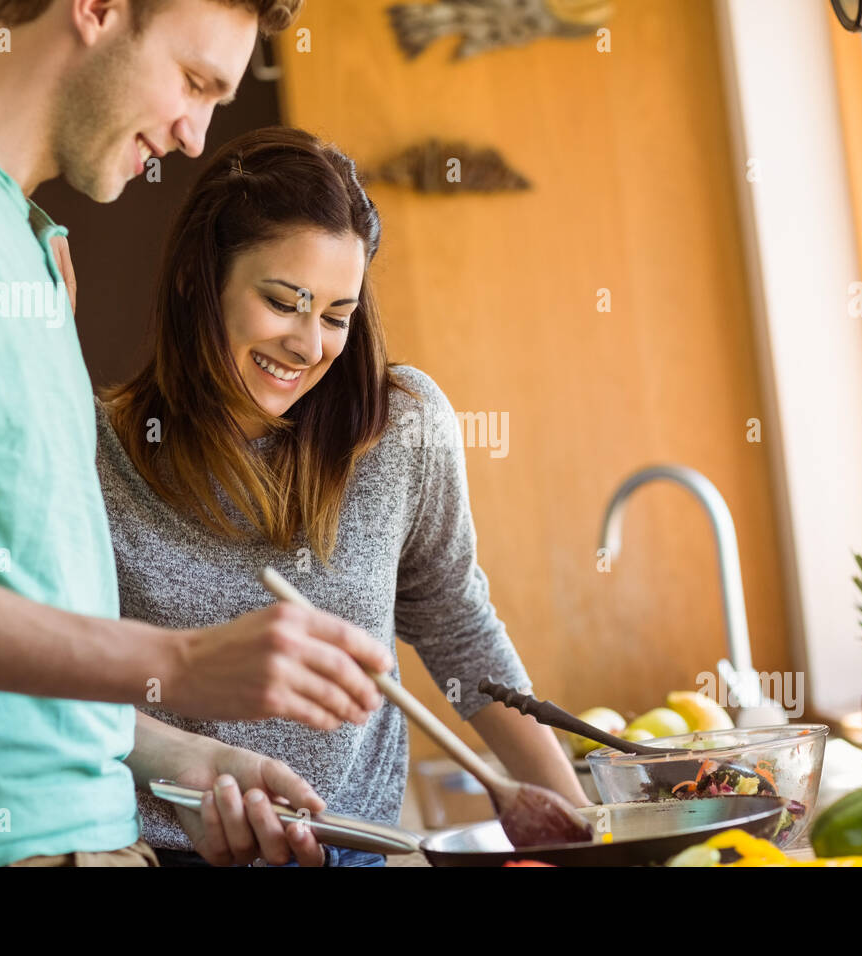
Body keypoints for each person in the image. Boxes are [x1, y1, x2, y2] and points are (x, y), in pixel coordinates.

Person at [0, 0, 393, 868]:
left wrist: (180, 759)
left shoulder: (36, 249)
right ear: (98, 9)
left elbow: (15, 626)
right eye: (194, 82)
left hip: (96, 842)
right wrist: (181, 661)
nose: (197, 138)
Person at [97, 126, 590, 867]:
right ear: (197, 280)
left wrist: (583, 828)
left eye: (336, 314)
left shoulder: (403, 427)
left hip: (352, 850)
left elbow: (457, 623)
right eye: (283, 301)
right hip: (153, 851)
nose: (308, 344)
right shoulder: (96, 450)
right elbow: (55, 682)